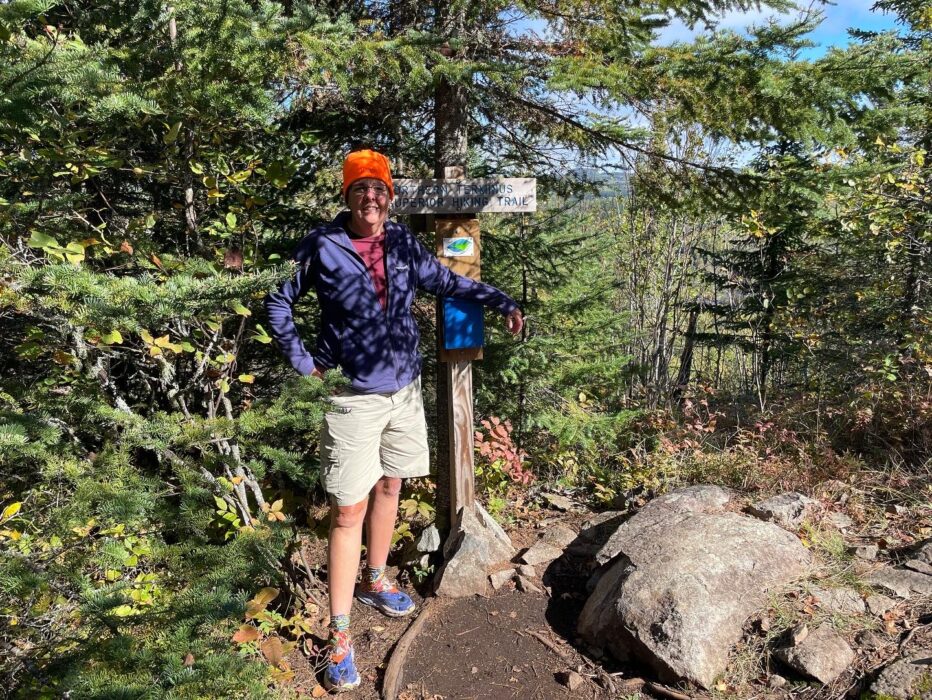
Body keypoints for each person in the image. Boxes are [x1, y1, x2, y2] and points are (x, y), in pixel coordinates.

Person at [265, 149, 523, 692]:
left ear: (390, 195)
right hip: (351, 398)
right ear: (347, 195)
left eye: (379, 188)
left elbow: (448, 282)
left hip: (403, 392)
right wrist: (304, 363)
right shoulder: (322, 246)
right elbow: (277, 300)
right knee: (346, 511)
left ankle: (374, 580)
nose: (371, 197)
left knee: (391, 485)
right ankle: (337, 638)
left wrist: (499, 300)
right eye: (360, 188)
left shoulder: (402, 242)